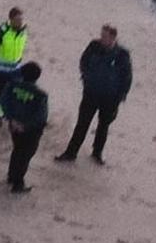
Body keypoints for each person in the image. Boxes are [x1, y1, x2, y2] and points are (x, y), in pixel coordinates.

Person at [55, 24, 132, 164]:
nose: (102, 38)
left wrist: (121, 96)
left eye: (105, 36)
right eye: (101, 35)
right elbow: (83, 61)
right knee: (82, 124)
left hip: (110, 99)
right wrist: (86, 78)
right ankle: (71, 153)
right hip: (91, 94)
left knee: (103, 126)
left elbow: (127, 77)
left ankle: (97, 153)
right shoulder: (94, 46)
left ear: (113, 38)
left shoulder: (122, 54)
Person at [0, 62, 49, 193]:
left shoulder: (12, 86)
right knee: (25, 155)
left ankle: (12, 176)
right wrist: (25, 125)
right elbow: (40, 115)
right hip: (30, 130)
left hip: (14, 126)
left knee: (17, 149)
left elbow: (3, 102)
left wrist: (12, 119)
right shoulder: (40, 95)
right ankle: (18, 183)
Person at [0, 6, 29, 116]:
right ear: (11, 19)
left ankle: (11, 112)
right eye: (17, 20)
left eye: (21, 19)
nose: (20, 22)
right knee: (0, 94)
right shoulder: (0, 32)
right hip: (0, 71)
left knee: (16, 92)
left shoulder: (23, 32)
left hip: (15, 69)